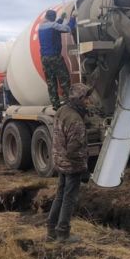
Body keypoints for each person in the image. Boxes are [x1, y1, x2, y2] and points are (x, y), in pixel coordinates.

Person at [47, 83, 92, 243]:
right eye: (86, 97)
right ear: (80, 99)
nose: (89, 100)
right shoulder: (76, 120)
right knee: (69, 198)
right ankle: (63, 233)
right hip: (72, 165)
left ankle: (51, 230)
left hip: (60, 161)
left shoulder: (62, 111)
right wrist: (84, 169)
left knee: (60, 195)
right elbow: (74, 150)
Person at [38, 9, 76, 110]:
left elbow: (54, 27)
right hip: (54, 57)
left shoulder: (41, 27)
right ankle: (69, 103)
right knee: (64, 79)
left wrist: (61, 19)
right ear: (52, 18)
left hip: (44, 58)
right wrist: (73, 18)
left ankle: (55, 105)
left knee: (51, 82)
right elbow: (68, 28)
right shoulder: (53, 26)